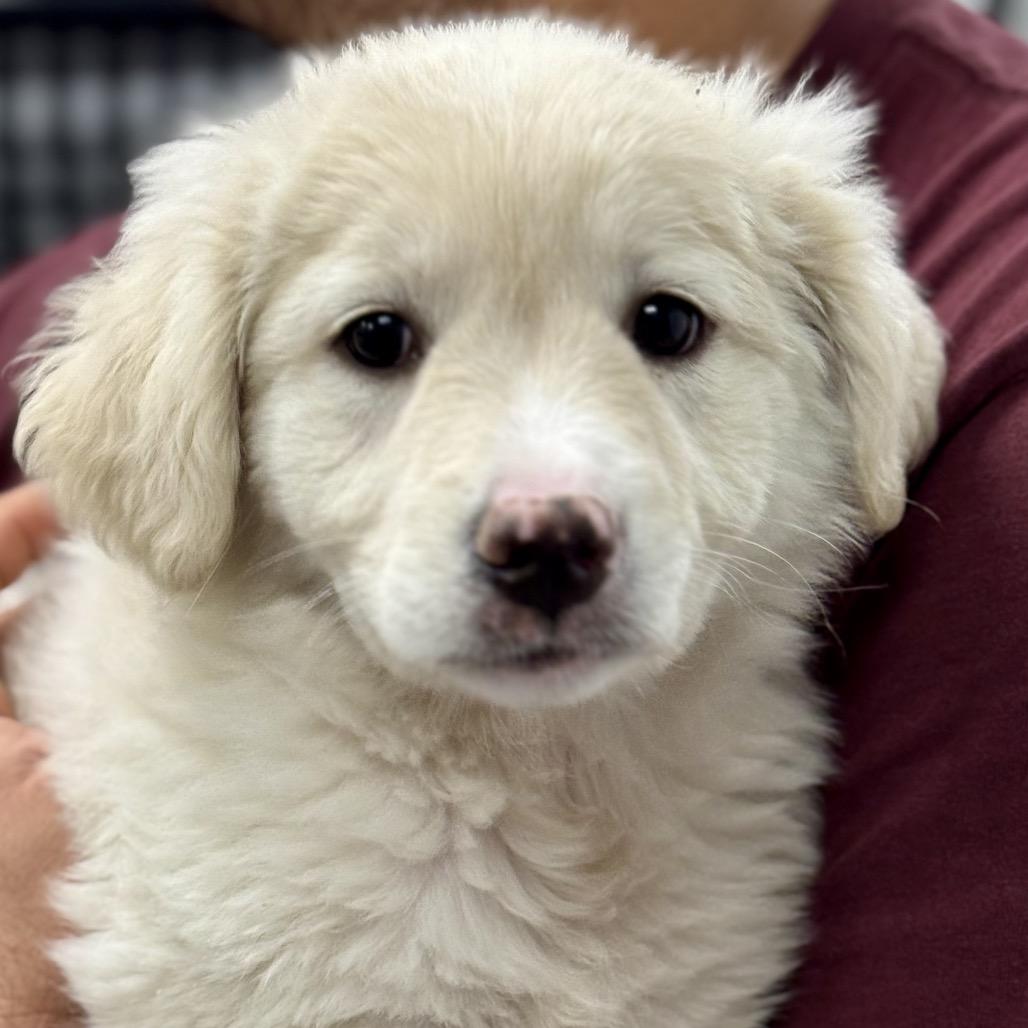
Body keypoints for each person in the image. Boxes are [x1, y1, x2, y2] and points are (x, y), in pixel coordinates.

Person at [1, 0, 1026, 1024]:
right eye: (376, 340)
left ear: (847, 366)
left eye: (665, 326)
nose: (542, 512)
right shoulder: (214, 859)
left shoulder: (994, 316)